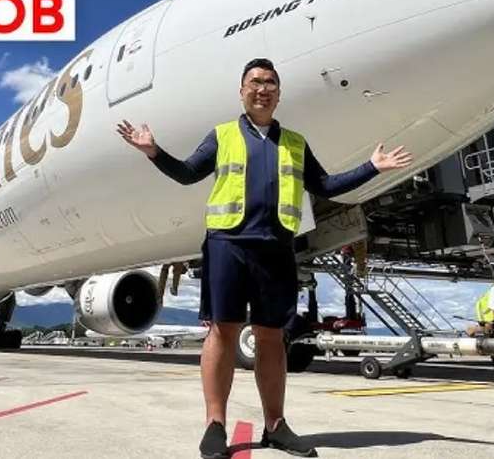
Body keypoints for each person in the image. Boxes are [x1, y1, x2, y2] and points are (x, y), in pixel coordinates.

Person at [117, 58, 413, 459]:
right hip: (228, 243)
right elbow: (187, 173)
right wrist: (154, 151)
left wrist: (371, 167)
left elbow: (325, 185)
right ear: (242, 91)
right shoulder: (222, 135)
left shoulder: (295, 142)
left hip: (276, 248)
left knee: (272, 336)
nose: (263, 88)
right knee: (222, 331)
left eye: (270, 83)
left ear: (278, 93)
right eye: (255, 82)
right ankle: (215, 425)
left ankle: (275, 425)